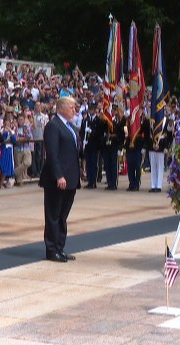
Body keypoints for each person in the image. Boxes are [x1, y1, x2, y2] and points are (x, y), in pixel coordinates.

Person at [39, 96, 81, 263]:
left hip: (70, 178)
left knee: (63, 215)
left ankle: (60, 247)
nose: (74, 110)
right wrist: (59, 175)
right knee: (53, 215)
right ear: (62, 107)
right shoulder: (53, 126)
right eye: (71, 107)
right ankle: (51, 249)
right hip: (57, 179)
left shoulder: (69, 126)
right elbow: (52, 153)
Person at [79, 100, 105, 189]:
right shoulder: (85, 120)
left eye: (92, 109)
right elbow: (81, 131)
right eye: (89, 109)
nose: (90, 111)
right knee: (88, 163)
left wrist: (92, 132)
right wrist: (83, 139)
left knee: (94, 163)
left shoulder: (98, 121)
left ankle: (93, 181)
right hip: (87, 145)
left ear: (94, 110)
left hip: (95, 145)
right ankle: (90, 181)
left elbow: (100, 133)